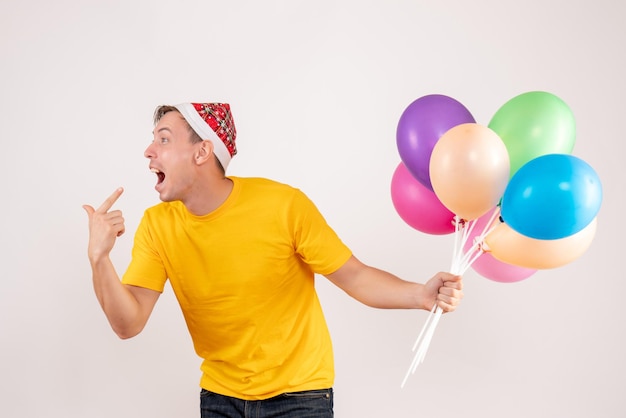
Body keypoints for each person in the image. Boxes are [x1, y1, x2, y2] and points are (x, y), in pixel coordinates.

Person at [83, 102, 463, 418]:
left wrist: (420, 296)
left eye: (163, 140)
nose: (149, 152)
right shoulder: (157, 225)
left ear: (202, 152)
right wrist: (99, 259)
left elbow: (354, 276)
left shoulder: (282, 206)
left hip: (300, 398)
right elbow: (127, 323)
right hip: (219, 399)